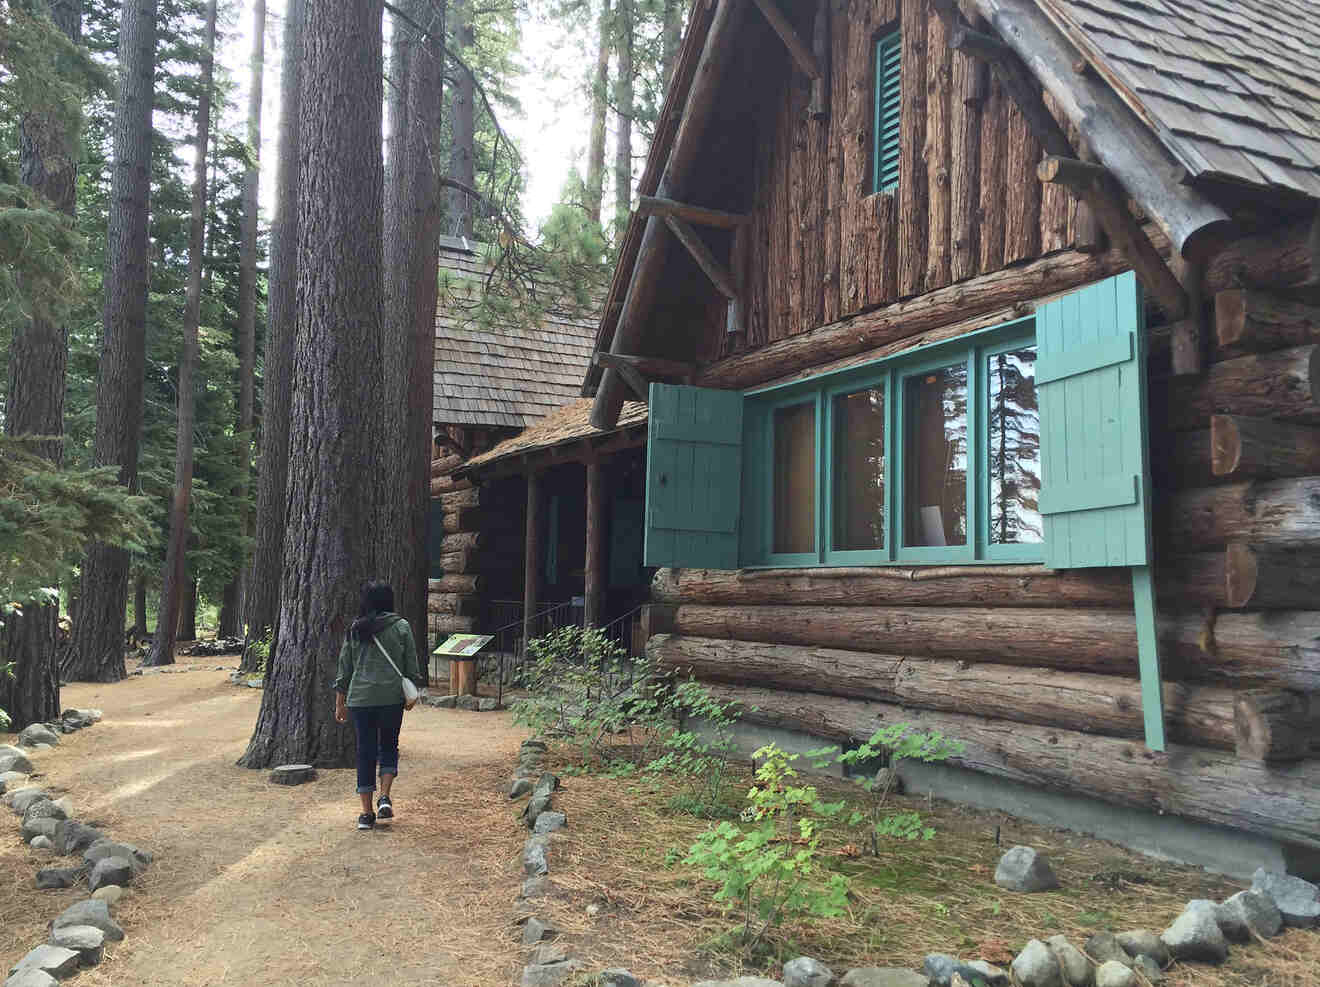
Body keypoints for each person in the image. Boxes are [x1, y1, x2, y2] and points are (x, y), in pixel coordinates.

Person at [333, 580, 424, 830]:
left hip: (360, 699)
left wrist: (340, 703)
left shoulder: (355, 629)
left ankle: (365, 814)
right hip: (391, 698)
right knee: (388, 746)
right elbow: (411, 665)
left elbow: (345, 668)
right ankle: (384, 796)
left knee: (365, 751)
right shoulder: (402, 626)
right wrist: (410, 693)